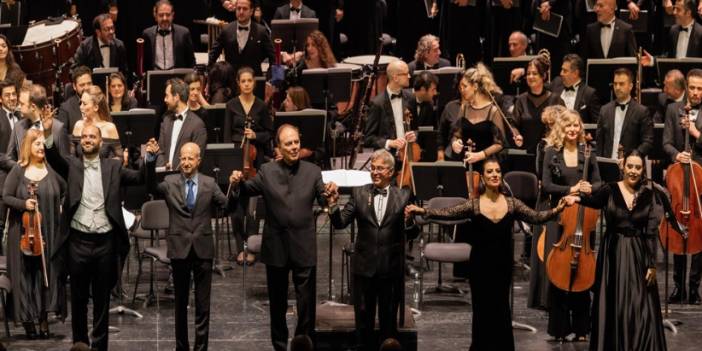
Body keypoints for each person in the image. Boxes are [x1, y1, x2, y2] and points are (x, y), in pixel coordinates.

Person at [405, 157, 574, 351]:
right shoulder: (474, 205)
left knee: (501, 309)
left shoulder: (512, 204)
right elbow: (447, 212)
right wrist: (422, 210)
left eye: (497, 171)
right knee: (482, 311)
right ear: (483, 179)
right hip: (480, 267)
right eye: (490, 172)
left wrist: (558, 209)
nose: (494, 175)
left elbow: (536, 217)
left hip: (502, 266)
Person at [43, 118, 155, 351]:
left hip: (105, 242)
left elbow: (140, 178)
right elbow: (52, 157)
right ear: (79, 141)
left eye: (92, 137)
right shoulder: (72, 165)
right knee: (80, 299)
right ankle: (80, 345)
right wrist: (46, 133)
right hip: (78, 241)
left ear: (101, 142)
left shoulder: (112, 167)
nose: (87, 140)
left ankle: (100, 347)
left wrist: (150, 160)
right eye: (84, 137)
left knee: (102, 301)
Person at [229, 124, 337, 351]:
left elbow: (323, 197)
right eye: (288, 143)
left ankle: (303, 344)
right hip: (276, 246)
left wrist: (330, 194)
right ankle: (279, 346)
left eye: (296, 142)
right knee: (277, 304)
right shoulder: (267, 171)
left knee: (306, 304)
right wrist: (236, 181)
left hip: (303, 245)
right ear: (278, 147)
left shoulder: (312, 171)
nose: (294, 147)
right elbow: (247, 189)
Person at [574, 151, 683, 350]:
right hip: (613, 253)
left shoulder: (649, 195)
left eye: (638, 167)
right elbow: (591, 201)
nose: (633, 171)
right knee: (614, 303)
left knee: (641, 304)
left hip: (637, 253)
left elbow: (650, 233)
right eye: (630, 166)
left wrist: (651, 264)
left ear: (643, 170)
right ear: (623, 167)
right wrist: (577, 196)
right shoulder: (610, 189)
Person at [147, 141, 236, 351]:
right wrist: (150, 161)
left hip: (203, 249)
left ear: (198, 160)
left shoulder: (209, 183)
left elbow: (227, 205)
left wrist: (235, 187)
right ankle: (181, 347)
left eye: (190, 158)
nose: (186, 162)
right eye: (183, 158)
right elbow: (150, 186)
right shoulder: (169, 182)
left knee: (203, 305)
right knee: (180, 303)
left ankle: (201, 348)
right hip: (179, 248)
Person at [326, 149, 419, 350]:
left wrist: (410, 222)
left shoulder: (403, 195)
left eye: (380, 168)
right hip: (364, 269)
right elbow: (341, 222)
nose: (375, 172)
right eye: (373, 168)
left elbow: (413, 233)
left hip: (390, 269)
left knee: (388, 325)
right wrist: (333, 206)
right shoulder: (359, 193)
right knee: (363, 324)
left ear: (391, 172)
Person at [540, 110, 601, 342]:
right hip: (561, 217)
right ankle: (560, 328)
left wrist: (587, 189)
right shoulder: (551, 153)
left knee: (583, 274)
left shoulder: (589, 153)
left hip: (584, 218)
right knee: (560, 272)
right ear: (561, 129)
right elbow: (546, 185)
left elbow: (598, 183)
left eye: (576, 126)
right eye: (568, 126)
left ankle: (582, 328)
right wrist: (570, 191)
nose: (573, 130)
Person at [3, 128, 66, 339]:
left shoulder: (52, 170)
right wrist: (24, 203)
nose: (41, 147)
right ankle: (28, 320)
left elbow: (66, 190)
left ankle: (43, 318)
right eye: (37, 143)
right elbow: (6, 197)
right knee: (26, 277)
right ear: (28, 147)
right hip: (23, 232)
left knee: (45, 276)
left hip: (47, 231)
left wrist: (62, 207)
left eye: (42, 144)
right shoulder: (18, 171)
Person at [224, 67, 272, 264]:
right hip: (237, 156)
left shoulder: (261, 106)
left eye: (249, 81)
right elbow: (227, 134)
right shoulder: (231, 105)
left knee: (252, 208)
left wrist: (255, 136)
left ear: (254, 83)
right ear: (238, 83)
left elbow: (269, 133)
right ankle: (239, 248)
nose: (246, 84)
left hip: (255, 159)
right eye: (242, 81)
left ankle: (251, 247)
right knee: (236, 207)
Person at [662, 68, 702, 304]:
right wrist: (677, 156)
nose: (696, 92)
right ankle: (678, 285)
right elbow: (666, 142)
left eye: (700, 89)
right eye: (693, 87)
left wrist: (695, 132)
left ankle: (694, 286)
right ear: (687, 87)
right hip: (680, 178)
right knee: (678, 228)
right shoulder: (672, 109)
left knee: (699, 231)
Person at [446, 64, 510, 167]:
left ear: (475, 86)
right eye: (460, 87)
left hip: (486, 165)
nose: (461, 90)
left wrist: (481, 155)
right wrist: (455, 143)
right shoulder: (464, 108)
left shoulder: (492, 111)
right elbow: (456, 134)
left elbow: (500, 143)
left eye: (465, 86)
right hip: (467, 163)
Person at [512, 54, 564, 157]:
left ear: (543, 76)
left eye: (534, 73)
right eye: (528, 73)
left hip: (551, 154)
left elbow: (564, 125)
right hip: (526, 153)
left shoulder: (556, 99)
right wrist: (517, 135)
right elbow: (513, 124)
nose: (530, 77)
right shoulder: (521, 100)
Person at [595, 68, 653, 159]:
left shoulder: (642, 111)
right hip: (607, 165)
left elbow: (648, 141)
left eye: (621, 84)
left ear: (630, 86)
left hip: (631, 167)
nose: (617, 87)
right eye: (615, 84)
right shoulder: (604, 110)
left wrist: (633, 156)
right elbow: (599, 142)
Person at [208, 0, 275, 76]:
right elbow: (212, 56)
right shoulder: (226, 30)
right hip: (231, 81)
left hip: (254, 82)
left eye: (245, 9)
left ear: (251, 11)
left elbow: (273, 57)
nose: (241, 12)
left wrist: (269, 78)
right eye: (238, 8)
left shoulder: (261, 31)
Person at [364, 60, 415, 156]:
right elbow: (368, 138)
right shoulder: (377, 103)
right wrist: (390, 143)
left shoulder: (411, 98)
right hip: (387, 158)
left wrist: (414, 135)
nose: (409, 76)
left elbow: (416, 127)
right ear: (395, 78)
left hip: (409, 154)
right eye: (406, 74)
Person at [9, 84, 70, 161]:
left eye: (22, 104)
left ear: (33, 107)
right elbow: (10, 158)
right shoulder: (18, 127)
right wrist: (19, 168)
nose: (18, 107)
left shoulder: (58, 128)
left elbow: (65, 164)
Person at [156, 78, 207, 170]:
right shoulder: (166, 120)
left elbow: (197, 158)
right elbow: (160, 151)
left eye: (167, 96)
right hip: (165, 179)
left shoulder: (197, 124)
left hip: (185, 178)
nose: (165, 100)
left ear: (176, 97)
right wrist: (163, 170)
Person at [141, 0, 196, 71]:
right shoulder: (147, 34)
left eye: (168, 15)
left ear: (173, 15)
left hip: (178, 78)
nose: (165, 18)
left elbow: (191, 61)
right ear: (155, 15)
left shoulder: (184, 33)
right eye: (161, 15)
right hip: (154, 77)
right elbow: (144, 62)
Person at [72, 85, 123, 160]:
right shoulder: (78, 126)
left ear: (96, 107)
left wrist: (106, 167)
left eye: (84, 104)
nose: (80, 107)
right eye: (81, 103)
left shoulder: (109, 128)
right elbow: (71, 157)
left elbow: (119, 157)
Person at [549, 54, 601, 124]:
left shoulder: (589, 93)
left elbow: (597, 124)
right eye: (561, 70)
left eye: (565, 71)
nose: (561, 73)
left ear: (575, 73)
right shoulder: (556, 85)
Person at [57, 66, 93, 135]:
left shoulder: (99, 102)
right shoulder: (65, 108)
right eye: (82, 85)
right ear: (74, 86)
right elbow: (61, 137)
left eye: (89, 83)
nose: (86, 87)